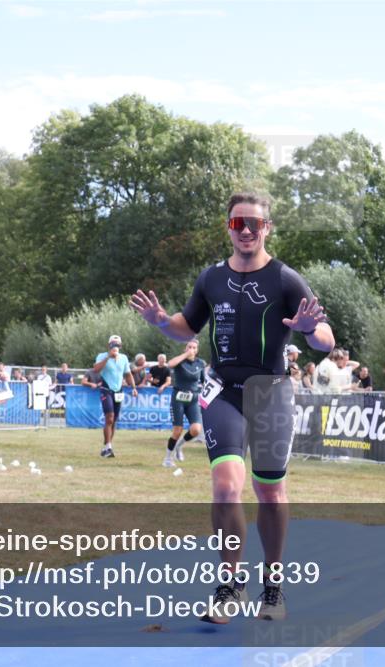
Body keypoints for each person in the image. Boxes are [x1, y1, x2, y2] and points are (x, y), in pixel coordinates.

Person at [130, 192, 334, 624]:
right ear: (228, 227)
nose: (245, 230)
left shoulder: (286, 279)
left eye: (254, 224)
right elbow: (186, 325)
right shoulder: (211, 278)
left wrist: (309, 329)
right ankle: (229, 585)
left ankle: (273, 587)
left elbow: (326, 341)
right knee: (225, 486)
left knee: (270, 491)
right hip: (222, 390)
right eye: (237, 223)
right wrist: (161, 322)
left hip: (271, 392)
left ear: (267, 229)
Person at [91, 334, 137, 458]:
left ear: (120, 346)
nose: (115, 346)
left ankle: (107, 446)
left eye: (117, 345)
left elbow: (128, 374)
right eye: (113, 344)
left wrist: (133, 387)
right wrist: (108, 357)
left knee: (114, 420)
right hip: (106, 389)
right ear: (109, 345)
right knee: (109, 417)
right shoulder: (102, 356)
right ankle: (108, 447)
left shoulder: (123, 358)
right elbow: (95, 370)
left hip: (119, 391)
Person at [163, 339, 206, 467]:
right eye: (189, 347)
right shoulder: (179, 361)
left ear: (197, 350)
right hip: (178, 399)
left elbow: (203, 381)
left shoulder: (200, 363)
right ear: (185, 348)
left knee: (196, 430)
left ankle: (179, 447)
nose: (191, 349)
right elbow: (169, 364)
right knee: (177, 430)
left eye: (194, 347)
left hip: (193, 399)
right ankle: (167, 459)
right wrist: (185, 355)